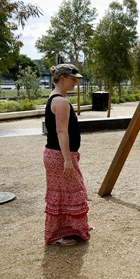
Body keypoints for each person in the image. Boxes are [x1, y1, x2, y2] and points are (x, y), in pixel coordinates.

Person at [43, 64, 91, 246]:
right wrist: (67, 160)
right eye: (73, 79)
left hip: (56, 154)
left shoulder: (55, 97)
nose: (76, 83)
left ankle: (73, 227)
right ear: (62, 78)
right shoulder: (61, 101)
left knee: (65, 193)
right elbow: (61, 131)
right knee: (71, 192)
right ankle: (59, 234)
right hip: (59, 155)